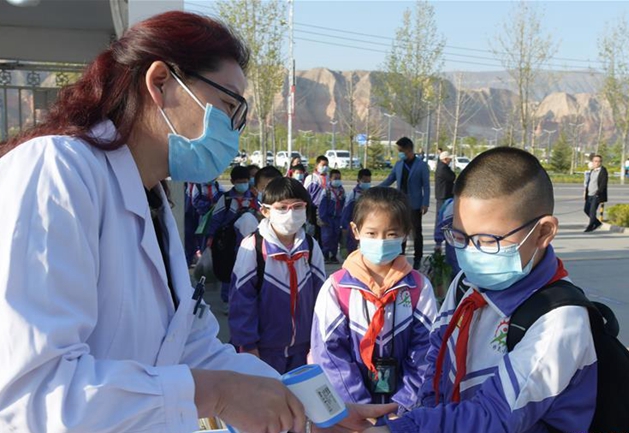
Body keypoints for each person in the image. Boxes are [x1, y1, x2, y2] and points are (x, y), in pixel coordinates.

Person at [0, 11, 396, 433]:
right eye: (228, 106)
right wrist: (216, 393)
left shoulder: (152, 202)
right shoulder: (56, 170)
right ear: (160, 82)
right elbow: (33, 392)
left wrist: (310, 411)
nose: (234, 130)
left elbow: (191, 346)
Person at [364, 147, 597, 433]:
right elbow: (437, 354)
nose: (471, 253)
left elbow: (495, 416)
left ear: (543, 232)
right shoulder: (467, 283)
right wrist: (420, 411)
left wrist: (405, 429)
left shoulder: (559, 321)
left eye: (488, 241)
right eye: (460, 236)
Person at [311, 187, 438, 412]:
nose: (381, 241)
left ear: (405, 233)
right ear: (355, 230)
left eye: (391, 234)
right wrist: (361, 408)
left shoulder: (418, 287)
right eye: (371, 233)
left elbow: (425, 350)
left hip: (404, 412)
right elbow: (330, 355)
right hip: (353, 412)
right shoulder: (336, 288)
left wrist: (402, 405)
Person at [229, 177, 325, 374]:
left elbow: (321, 298)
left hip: (303, 350)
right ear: (265, 211)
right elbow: (241, 300)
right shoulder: (253, 246)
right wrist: (248, 346)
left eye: (297, 207)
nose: (291, 213)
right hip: (264, 350)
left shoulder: (310, 245)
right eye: (282, 208)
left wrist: (318, 342)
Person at [207, 165, 260, 310]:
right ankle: (228, 300)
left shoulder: (254, 197)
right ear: (232, 182)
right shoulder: (226, 199)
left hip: (251, 241)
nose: (242, 184)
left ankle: (247, 298)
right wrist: (211, 238)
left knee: (250, 269)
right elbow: (216, 219)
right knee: (229, 269)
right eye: (239, 182)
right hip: (229, 242)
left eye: (245, 181)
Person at [379, 137, 431, 270]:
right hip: (400, 203)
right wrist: (376, 188)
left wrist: (425, 203)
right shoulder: (399, 164)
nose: (400, 153)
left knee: (416, 232)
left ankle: (417, 258)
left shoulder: (421, 165)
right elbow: (390, 179)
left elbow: (426, 185)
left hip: (415, 204)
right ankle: (399, 257)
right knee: (400, 231)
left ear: (409, 150)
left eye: (401, 150)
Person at [342, 168, 372, 255]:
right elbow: (346, 211)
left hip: (367, 224)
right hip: (354, 224)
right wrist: (345, 226)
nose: (367, 183)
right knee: (352, 247)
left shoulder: (371, 194)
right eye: (365, 181)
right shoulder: (353, 194)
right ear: (358, 180)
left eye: (369, 181)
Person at [319, 169, 345, 263]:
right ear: (330, 179)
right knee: (326, 238)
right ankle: (325, 255)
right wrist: (323, 218)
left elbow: (343, 205)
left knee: (335, 237)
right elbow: (322, 206)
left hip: (337, 219)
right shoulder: (326, 191)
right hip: (328, 218)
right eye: (335, 178)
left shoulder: (341, 191)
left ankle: (333, 255)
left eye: (339, 178)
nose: (337, 180)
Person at [304, 155, 330, 245]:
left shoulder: (329, 178)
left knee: (323, 233)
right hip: (313, 208)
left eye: (326, 165)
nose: (325, 167)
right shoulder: (311, 178)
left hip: (325, 209)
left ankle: (322, 250)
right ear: (317, 165)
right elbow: (305, 193)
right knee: (313, 232)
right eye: (323, 165)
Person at [583, 154, 608, 232]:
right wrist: (585, 192)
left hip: (596, 195)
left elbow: (603, 183)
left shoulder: (603, 171)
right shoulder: (592, 171)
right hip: (589, 194)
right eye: (595, 161)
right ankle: (597, 223)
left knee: (592, 211)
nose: (597, 163)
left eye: (599, 161)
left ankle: (590, 226)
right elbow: (589, 182)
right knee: (586, 209)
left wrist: (598, 193)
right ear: (592, 162)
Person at [434, 151, 456, 220]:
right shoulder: (443, 168)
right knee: (442, 215)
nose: (450, 160)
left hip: (443, 194)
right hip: (443, 195)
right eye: (449, 159)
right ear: (445, 159)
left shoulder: (441, 167)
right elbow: (452, 177)